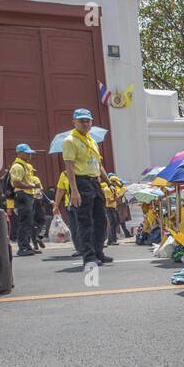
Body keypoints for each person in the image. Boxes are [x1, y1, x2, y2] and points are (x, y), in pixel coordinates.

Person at [61, 109, 112, 269]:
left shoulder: (92, 141)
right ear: (74, 122)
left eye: (88, 120)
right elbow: (69, 166)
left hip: (95, 182)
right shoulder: (70, 140)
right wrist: (74, 190)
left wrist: (109, 182)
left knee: (101, 220)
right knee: (85, 222)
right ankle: (89, 257)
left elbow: (98, 164)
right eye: (81, 120)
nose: (85, 123)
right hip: (80, 182)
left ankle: (98, 252)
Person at [9, 144, 40, 256]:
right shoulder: (17, 166)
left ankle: (27, 246)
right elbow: (16, 182)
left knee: (29, 222)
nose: (29, 155)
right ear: (19, 153)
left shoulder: (26, 165)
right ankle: (22, 247)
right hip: (22, 196)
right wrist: (32, 186)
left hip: (27, 195)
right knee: (25, 222)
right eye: (27, 153)